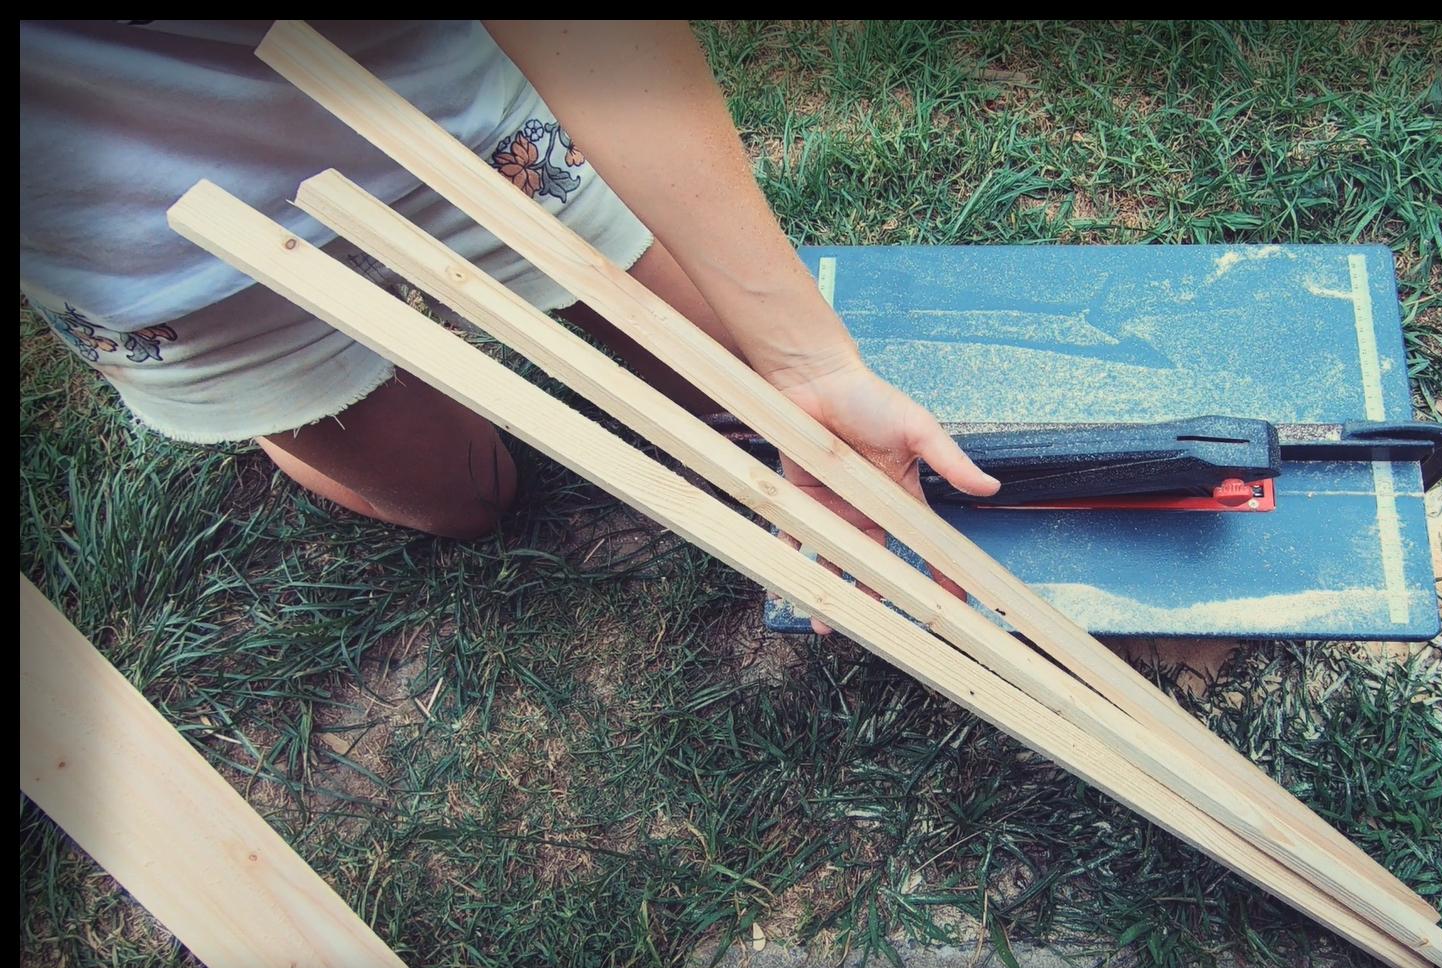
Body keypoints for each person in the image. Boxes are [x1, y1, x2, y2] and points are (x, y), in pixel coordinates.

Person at [19, 20, 999, 587]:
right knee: (470, 500)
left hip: (403, 84)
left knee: (738, 393)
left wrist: (807, 364)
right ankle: (290, 390)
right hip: (154, 226)